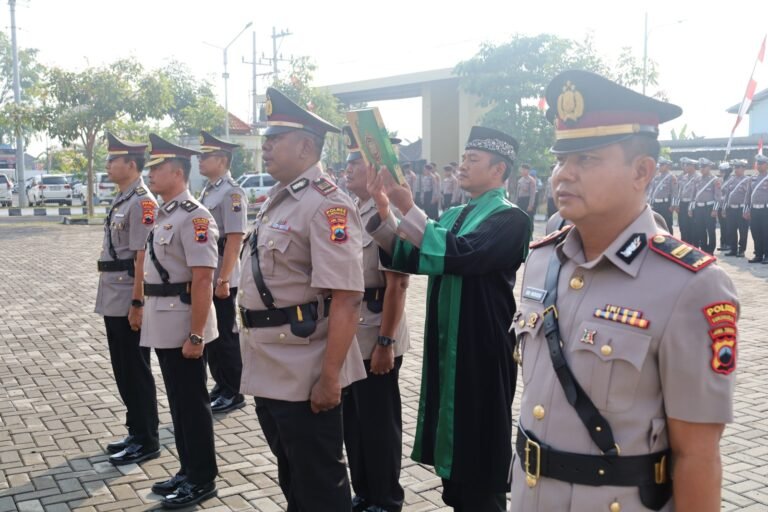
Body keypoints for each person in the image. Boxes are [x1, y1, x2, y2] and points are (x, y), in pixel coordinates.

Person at [512, 69, 737, 512]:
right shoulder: (541, 262)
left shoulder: (691, 285)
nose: (564, 175)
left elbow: (697, 456)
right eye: (561, 159)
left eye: (587, 160)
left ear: (641, 170)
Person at [366, 125, 530, 511]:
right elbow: (410, 256)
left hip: (481, 345)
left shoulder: (512, 219)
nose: (463, 165)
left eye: (473, 160)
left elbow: (461, 254)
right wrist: (384, 208)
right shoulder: (457, 213)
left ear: (499, 171)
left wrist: (409, 208)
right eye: (464, 158)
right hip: (447, 344)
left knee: (479, 442)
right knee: (451, 443)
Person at [237, 88, 367, 511]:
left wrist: (330, 378)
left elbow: (346, 299)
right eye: (266, 137)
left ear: (306, 146)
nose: (266, 146)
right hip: (270, 361)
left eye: (275, 138)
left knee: (320, 483)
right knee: (293, 473)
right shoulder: (280, 198)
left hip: (305, 368)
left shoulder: (326, 206)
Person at [141, 134, 219, 508]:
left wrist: (196, 333)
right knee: (177, 401)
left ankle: (203, 478)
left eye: (156, 169)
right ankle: (188, 469)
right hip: (164, 320)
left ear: (176, 172)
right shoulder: (166, 213)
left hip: (184, 322)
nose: (150, 175)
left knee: (192, 403)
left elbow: (203, 278)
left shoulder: (195, 216)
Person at [341, 126, 411, 512]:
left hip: (377, 334)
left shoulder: (390, 215)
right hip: (353, 334)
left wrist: (385, 343)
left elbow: (397, 285)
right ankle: (364, 491)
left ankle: (386, 498)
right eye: (348, 162)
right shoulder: (351, 210)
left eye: (356, 162)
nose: (348, 169)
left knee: (379, 423)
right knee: (354, 421)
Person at [96, 133, 160, 466]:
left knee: (135, 369)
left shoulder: (142, 202)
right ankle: (136, 430)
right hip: (113, 294)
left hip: (128, 297)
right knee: (122, 367)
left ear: (130, 165)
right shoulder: (123, 198)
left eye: (113, 160)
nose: (107, 164)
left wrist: (138, 303)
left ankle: (147, 439)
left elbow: (141, 258)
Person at [197, 130, 247, 413]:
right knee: (212, 334)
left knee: (226, 335)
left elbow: (235, 238)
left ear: (222, 160)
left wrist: (225, 279)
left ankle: (234, 390)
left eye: (206, 157)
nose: (201, 161)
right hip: (210, 272)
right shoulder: (209, 190)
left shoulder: (232, 192)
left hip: (222, 275)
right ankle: (221, 383)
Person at [691, 158, 721, 253]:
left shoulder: (715, 180)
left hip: (709, 208)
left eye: (704, 166)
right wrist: (691, 208)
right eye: (700, 167)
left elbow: (717, 196)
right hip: (698, 208)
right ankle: (703, 249)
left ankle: (711, 250)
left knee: (711, 230)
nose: (702, 169)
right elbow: (693, 195)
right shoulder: (697, 179)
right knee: (700, 229)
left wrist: (715, 210)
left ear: (709, 167)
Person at [722, 159, 750, 257]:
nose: (736, 169)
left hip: (741, 208)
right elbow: (727, 195)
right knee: (731, 230)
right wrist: (724, 208)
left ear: (743, 168)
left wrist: (747, 210)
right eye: (735, 167)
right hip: (731, 209)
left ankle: (741, 250)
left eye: (738, 167)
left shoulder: (747, 180)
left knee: (743, 230)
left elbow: (749, 196)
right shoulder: (731, 180)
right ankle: (733, 249)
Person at [746, 154, 768, 263]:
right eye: (757, 164)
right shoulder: (752, 178)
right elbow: (748, 195)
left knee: (766, 232)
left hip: (766, 210)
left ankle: (767, 255)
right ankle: (758, 254)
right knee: (755, 232)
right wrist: (746, 209)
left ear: (766, 165)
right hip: (754, 210)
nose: (759, 166)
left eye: (761, 164)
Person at [648, 157, 677, 236]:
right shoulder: (657, 177)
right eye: (659, 165)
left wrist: (673, 205)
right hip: (656, 204)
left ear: (667, 166)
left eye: (662, 165)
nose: (659, 167)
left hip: (665, 204)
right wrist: (650, 203)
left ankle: (670, 242)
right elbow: (652, 191)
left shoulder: (671, 177)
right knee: (656, 224)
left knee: (667, 224)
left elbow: (674, 192)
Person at [673, 157, 698, 243]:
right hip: (682, 203)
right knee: (683, 225)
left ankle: (693, 244)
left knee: (692, 226)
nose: (685, 167)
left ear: (693, 166)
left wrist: (691, 207)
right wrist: (677, 204)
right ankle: (684, 242)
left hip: (692, 204)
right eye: (685, 165)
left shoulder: (698, 177)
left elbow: (696, 194)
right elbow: (679, 191)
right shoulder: (683, 177)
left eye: (687, 165)